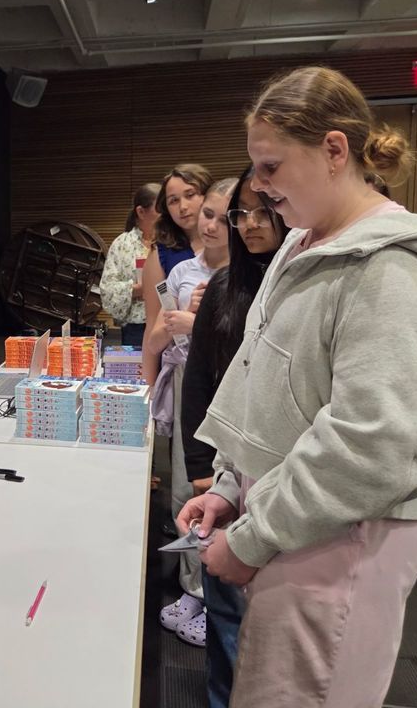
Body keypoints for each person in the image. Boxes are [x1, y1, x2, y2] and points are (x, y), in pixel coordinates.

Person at [178, 66, 417, 707]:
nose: (260, 186)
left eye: (271, 167)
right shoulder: (301, 244)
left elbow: (379, 444)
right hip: (297, 519)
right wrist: (232, 484)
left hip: (345, 536)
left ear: (335, 150)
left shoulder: (396, 266)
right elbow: (267, 384)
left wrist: (253, 536)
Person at [179, 166, 288, 706]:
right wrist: (203, 468)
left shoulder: (298, 286)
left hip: (281, 472)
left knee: (272, 621)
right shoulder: (225, 285)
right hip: (227, 463)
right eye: (241, 214)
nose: (250, 224)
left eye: (263, 212)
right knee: (223, 606)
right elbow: (199, 379)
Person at [155, 178, 232, 646]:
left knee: (227, 490)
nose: (211, 225)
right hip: (192, 383)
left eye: (225, 218)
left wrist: (199, 320)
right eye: (209, 215)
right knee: (188, 488)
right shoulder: (182, 270)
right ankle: (192, 588)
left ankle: (216, 596)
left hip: (232, 389)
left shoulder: (251, 274)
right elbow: (162, 329)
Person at [141, 164, 212, 387]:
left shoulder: (232, 247)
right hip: (180, 368)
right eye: (173, 201)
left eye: (190, 195)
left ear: (207, 195)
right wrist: (149, 388)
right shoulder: (161, 254)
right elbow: (153, 324)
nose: (183, 207)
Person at [99, 183, 161, 347]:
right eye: (160, 208)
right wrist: (138, 289)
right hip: (135, 328)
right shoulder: (122, 244)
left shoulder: (171, 242)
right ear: (141, 212)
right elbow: (107, 289)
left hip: (168, 322)